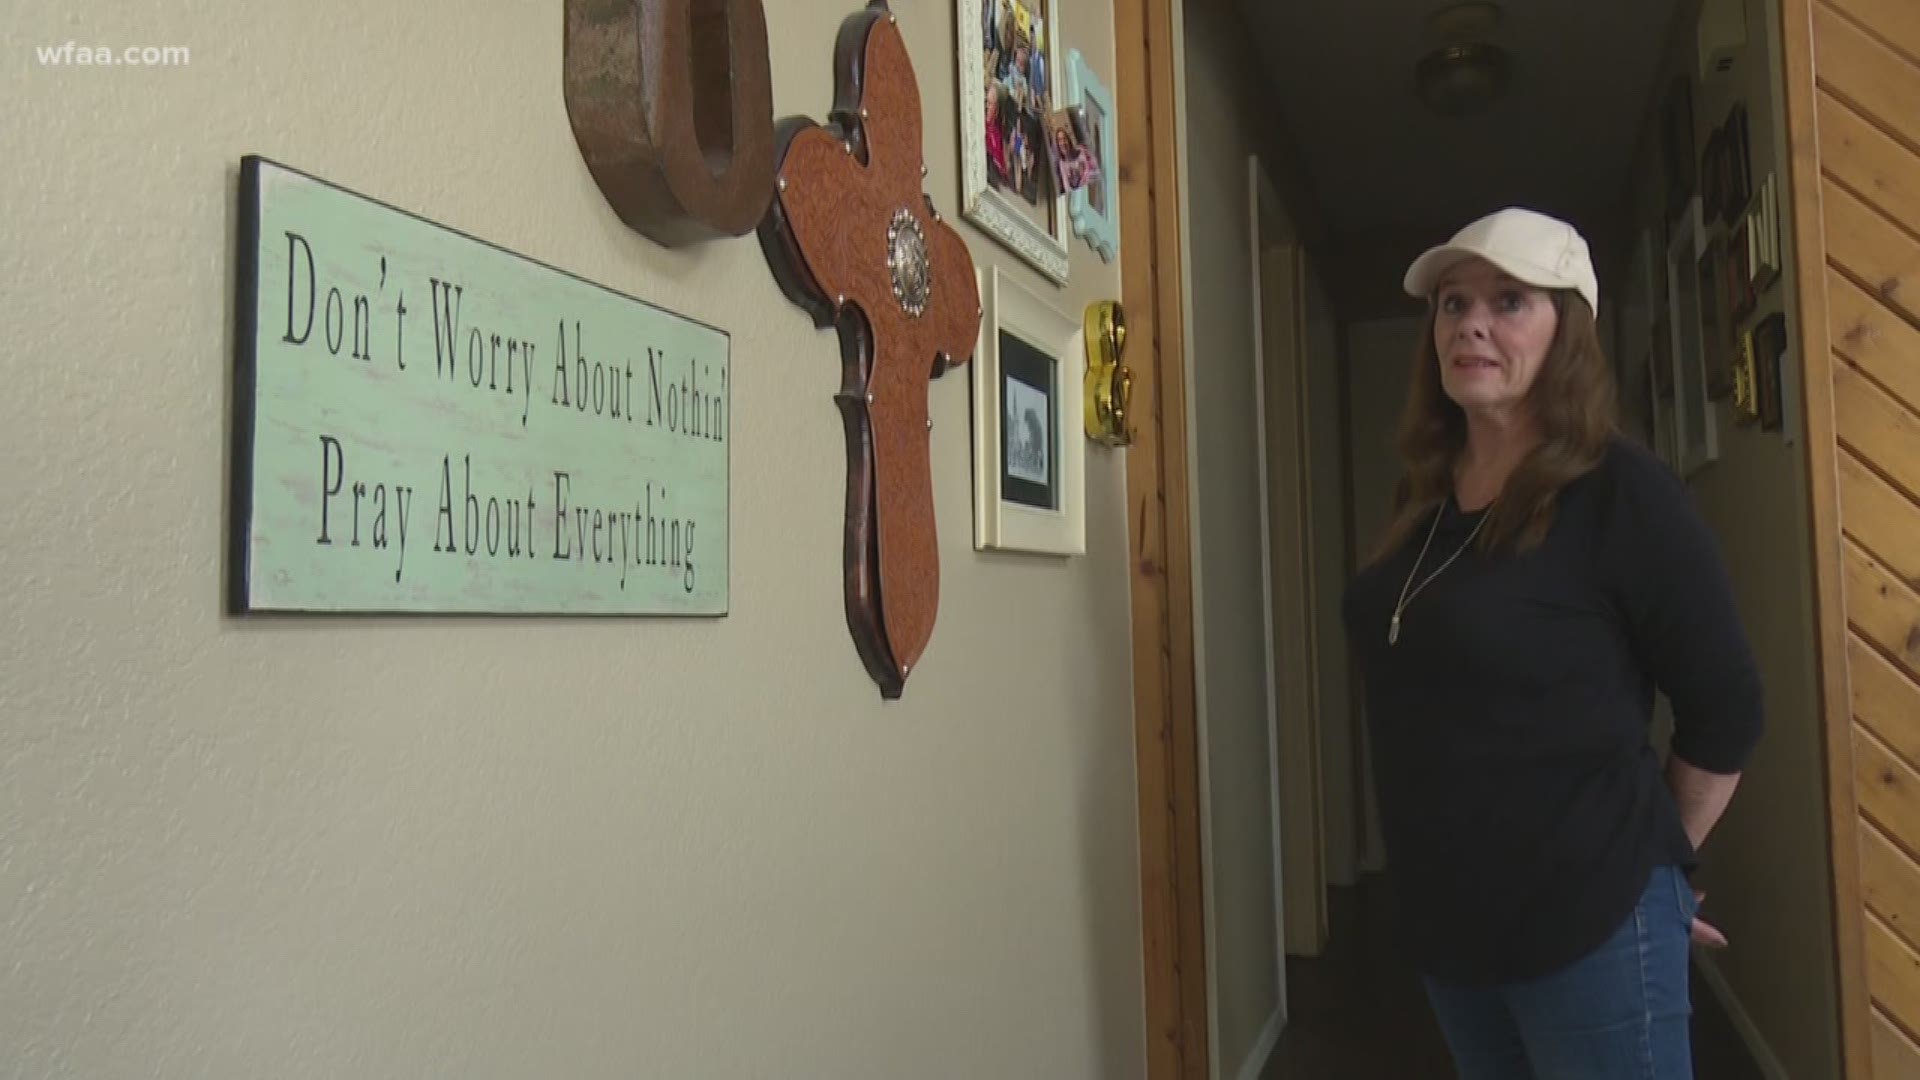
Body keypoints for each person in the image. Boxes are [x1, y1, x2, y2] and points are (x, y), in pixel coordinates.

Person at [1340, 207, 1764, 1079]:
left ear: (1567, 327)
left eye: (1509, 300)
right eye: (1452, 304)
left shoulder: (1621, 494)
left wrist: (1655, 872)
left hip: (1591, 930)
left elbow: (1727, 707)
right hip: (1453, 940)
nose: (1471, 324)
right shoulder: (1422, 501)